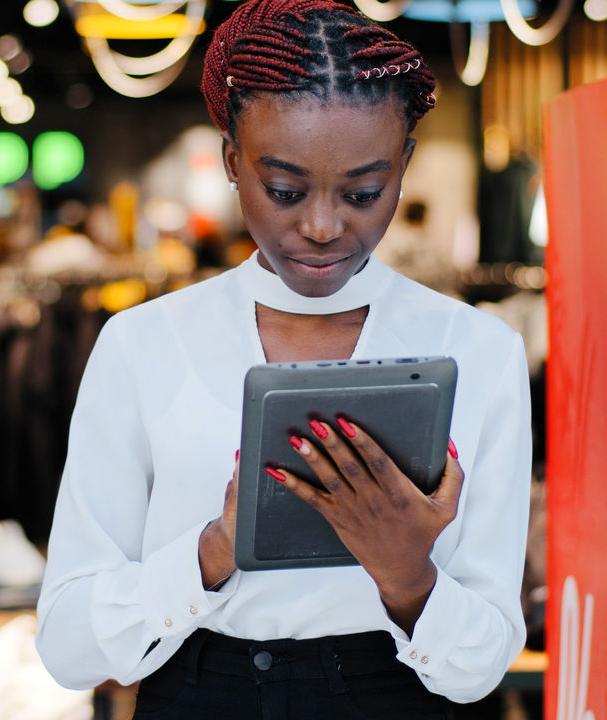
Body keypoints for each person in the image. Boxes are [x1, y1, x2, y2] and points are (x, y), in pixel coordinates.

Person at [35, 1, 532, 717]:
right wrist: (212, 552)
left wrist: (407, 579)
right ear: (233, 159)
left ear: (405, 166)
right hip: (201, 693)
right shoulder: (143, 344)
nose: (323, 227)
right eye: (285, 191)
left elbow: (482, 664)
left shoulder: (479, 351)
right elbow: (69, 645)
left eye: (365, 192)